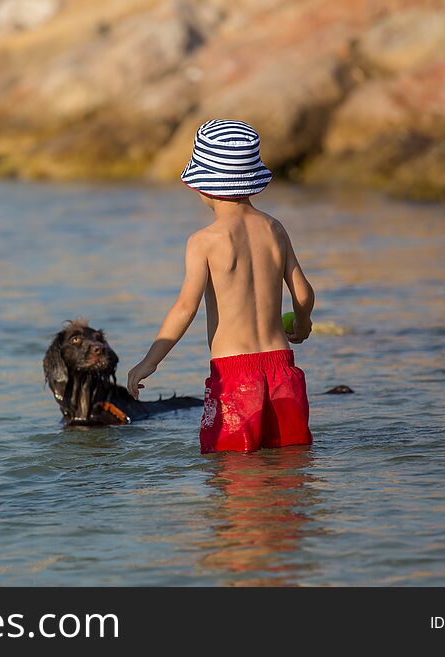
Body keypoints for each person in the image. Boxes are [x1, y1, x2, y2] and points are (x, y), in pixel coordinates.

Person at [127, 120, 315, 453]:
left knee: (233, 473)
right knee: (290, 468)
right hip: (282, 368)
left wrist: (150, 361)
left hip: (235, 376)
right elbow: (302, 292)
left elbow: (185, 308)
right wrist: (302, 323)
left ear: (202, 186)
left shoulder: (205, 241)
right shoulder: (275, 229)